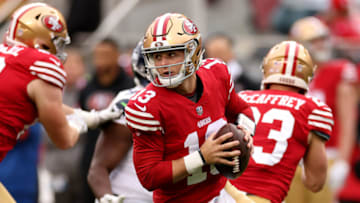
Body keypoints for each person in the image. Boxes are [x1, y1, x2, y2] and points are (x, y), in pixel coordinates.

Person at [125, 13, 255, 203]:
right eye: (157, 56)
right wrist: (201, 157)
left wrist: (247, 133)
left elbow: (243, 110)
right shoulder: (146, 105)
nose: (163, 65)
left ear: (192, 51)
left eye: (171, 54)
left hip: (220, 191)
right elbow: (149, 176)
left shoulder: (217, 73)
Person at [0, 2, 121, 201]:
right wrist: (80, 124)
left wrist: (88, 116)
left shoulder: (6, 56)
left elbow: (36, 106)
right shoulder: (40, 68)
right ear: (40, 40)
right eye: (55, 42)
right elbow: (64, 139)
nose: (58, 50)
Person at [227, 40, 333, 203]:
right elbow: (315, 183)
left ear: (267, 68)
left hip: (222, 195)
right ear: (307, 75)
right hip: (262, 198)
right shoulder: (312, 109)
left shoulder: (241, 97)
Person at [286, 16, 359, 203]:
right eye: (313, 41)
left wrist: (342, 161)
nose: (320, 45)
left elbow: (348, 121)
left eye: (322, 39)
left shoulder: (339, 71)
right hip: (293, 159)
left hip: (327, 156)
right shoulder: (293, 77)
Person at [88, 40, 152, 203]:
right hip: (134, 197)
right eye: (160, 57)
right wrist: (107, 197)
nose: (167, 64)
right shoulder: (134, 102)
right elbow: (99, 168)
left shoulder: (202, 97)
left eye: (174, 55)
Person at [78, 38, 135, 203]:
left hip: (118, 157)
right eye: (98, 55)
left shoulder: (128, 87)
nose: (101, 60)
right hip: (91, 153)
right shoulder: (87, 86)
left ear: (116, 56)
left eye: (106, 55)